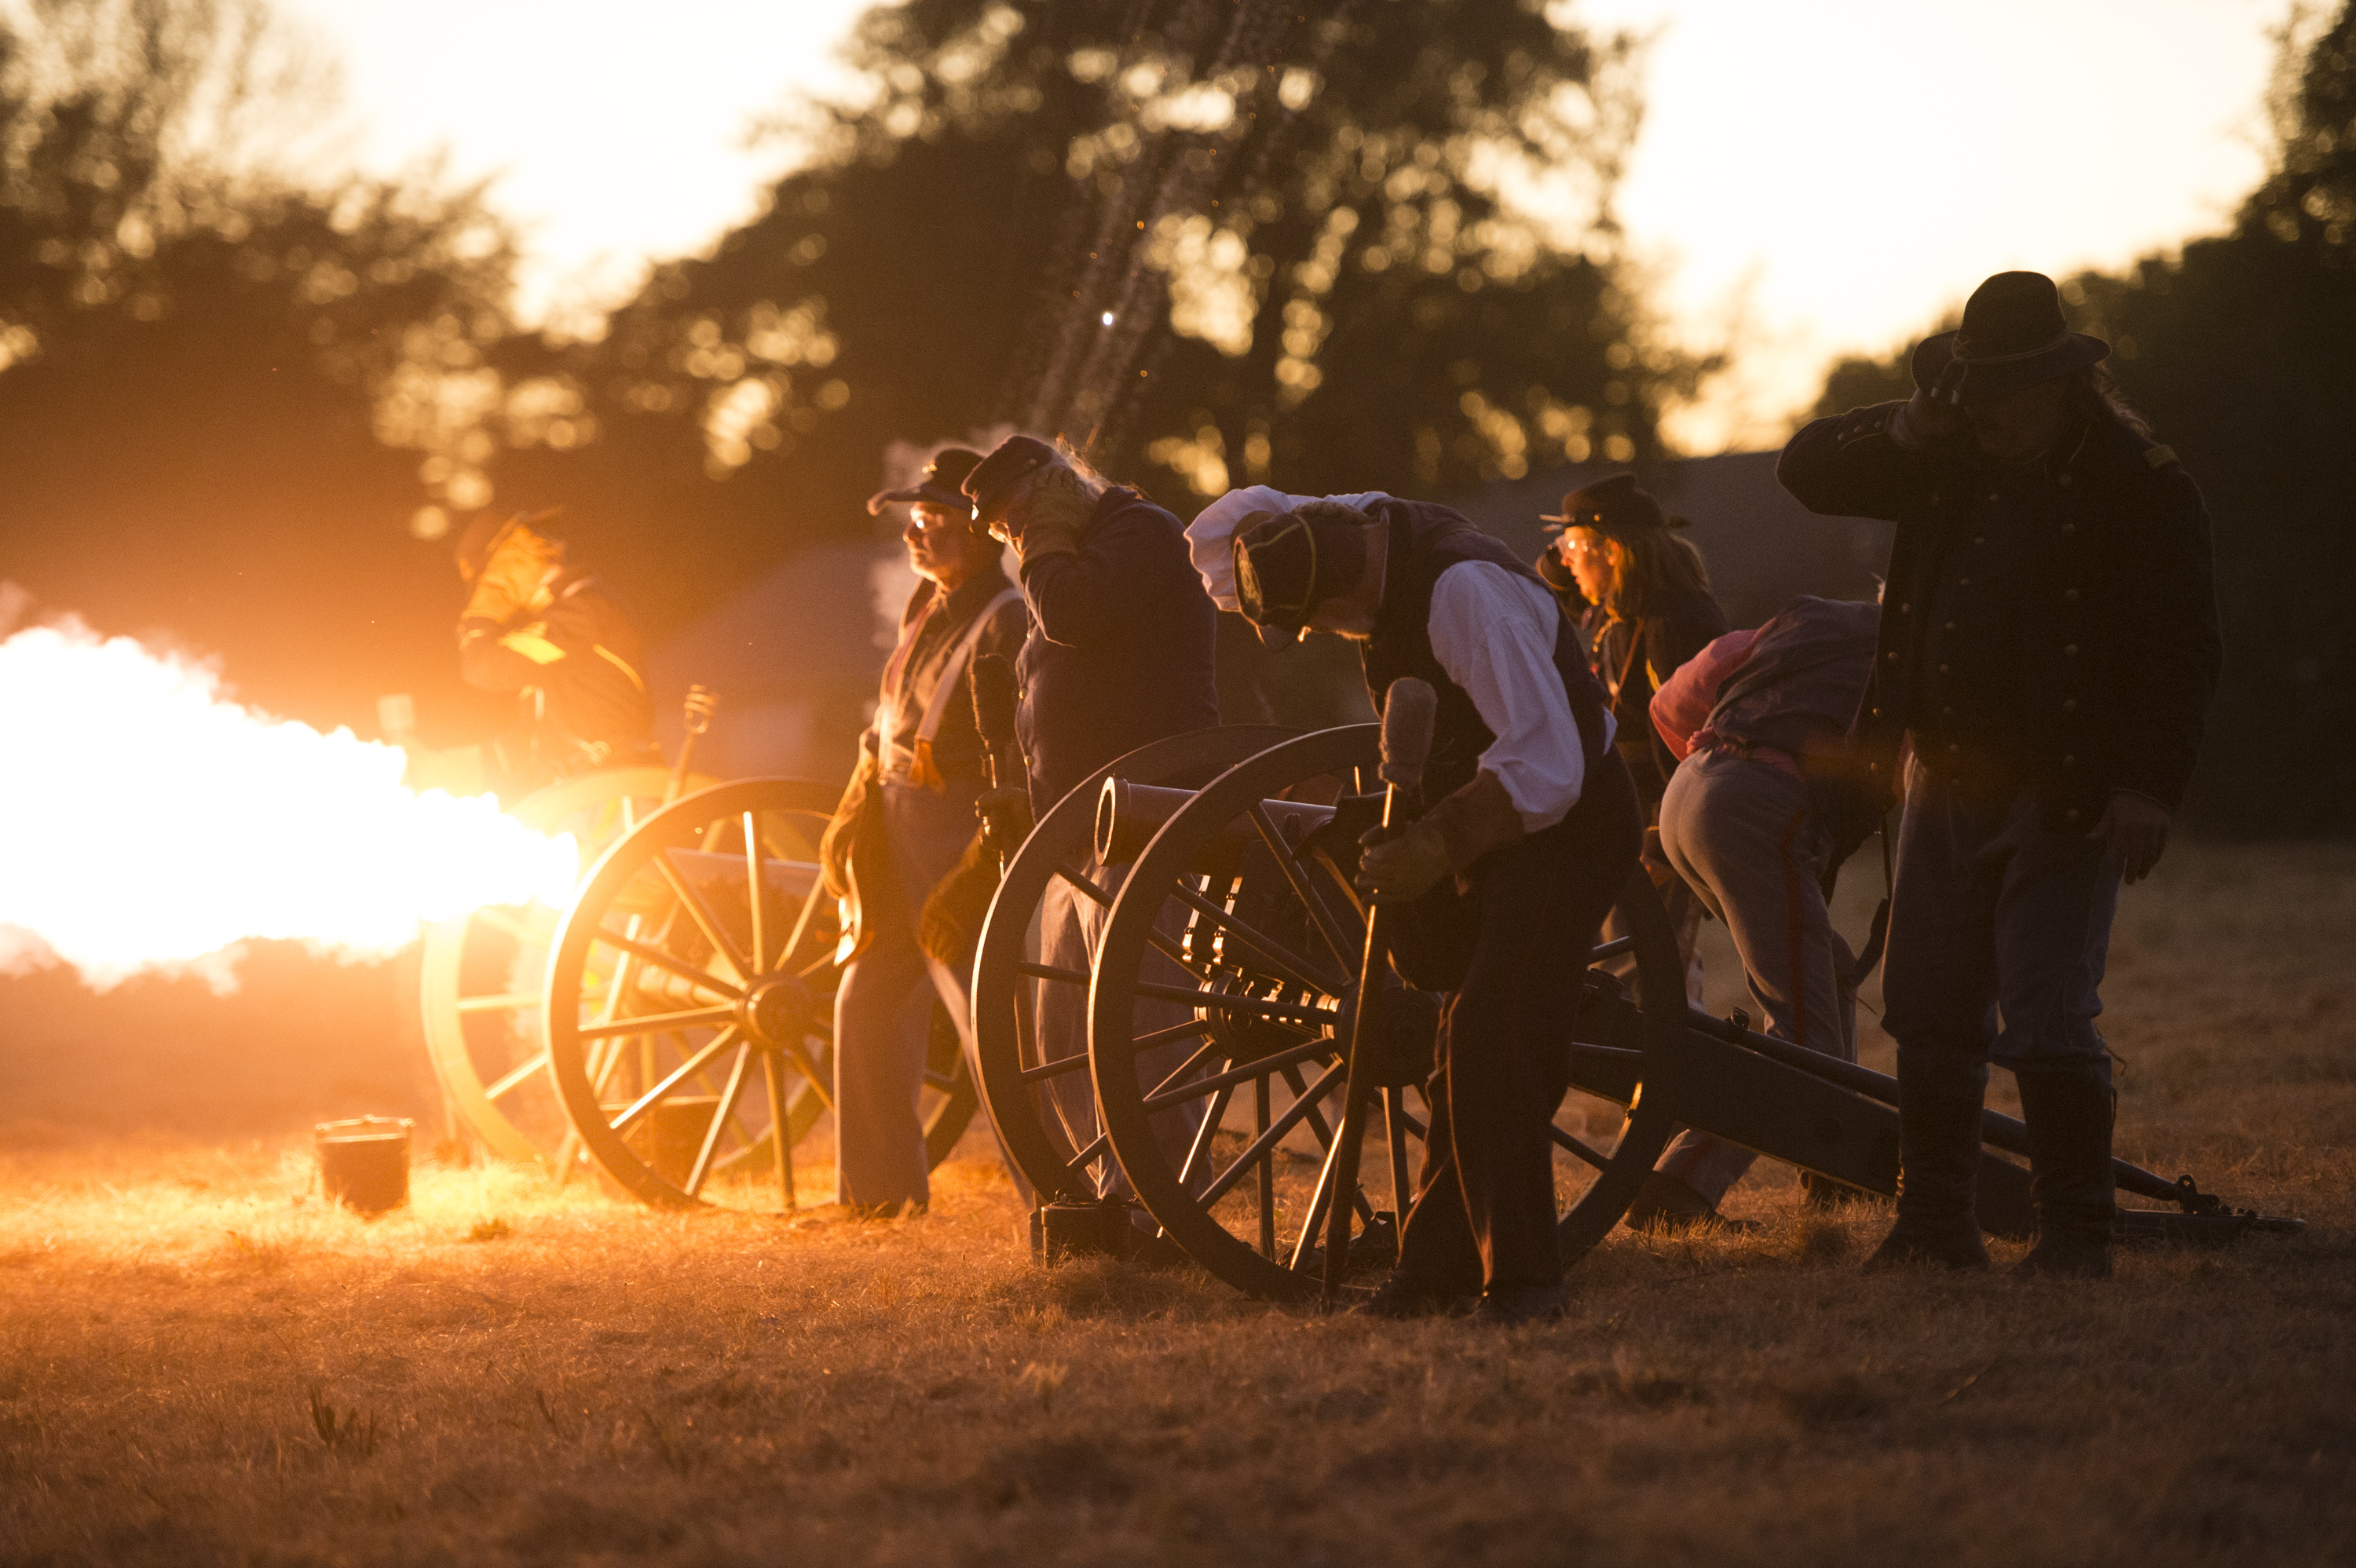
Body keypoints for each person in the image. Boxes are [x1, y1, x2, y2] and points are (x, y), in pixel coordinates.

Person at [1779, 270, 2221, 1279]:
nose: (1990, 408)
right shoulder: (1943, 457)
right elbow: (1804, 470)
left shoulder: (2141, 482)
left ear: (2060, 382)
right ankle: (1936, 1225)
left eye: (2006, 388)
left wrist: (2149, 783)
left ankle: (2076, 1236)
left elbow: (2182, 649)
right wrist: (1910, 429)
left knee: (2047, 1009)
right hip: (1942, 770)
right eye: (1975, 390)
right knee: (1930, 1004)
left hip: (2068, 781)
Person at [1188, 489, 1641, 1325]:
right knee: (1455, 1041)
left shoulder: (1463, 592)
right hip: (1503, 823)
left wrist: (1437, 843)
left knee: (1491, 1032)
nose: (1324, 633)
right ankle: (1434, 1271)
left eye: (1318, 620)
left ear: (1335, 593)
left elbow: (1548, 763)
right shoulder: (1369, 542)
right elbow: (1233, 530)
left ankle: (1525, 1285)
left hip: (1568, 825)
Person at [960, 437, 1220, 1219]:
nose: (1013, 541)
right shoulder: (1069, 556)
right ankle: (1109, 1191)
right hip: (1078, 825)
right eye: (1008, 531)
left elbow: (1070, 618)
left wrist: (1043, 537)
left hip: (1147, 809)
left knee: (1142, 1020)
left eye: (1015, 520)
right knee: (1066, 1027)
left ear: (1052, 492)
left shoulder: (1139, 533)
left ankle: (1162, 1202)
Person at [1630, 594, 1885, 1230]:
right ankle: (1679, 1184)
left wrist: (1710, 765)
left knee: (1827, 970)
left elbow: (1672, 700)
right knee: (1805, 1037)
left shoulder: (1806, 619)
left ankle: (1833, 1164)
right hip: (1754, 806)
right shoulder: (1916, 657)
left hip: (1686, 792)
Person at [819, 448, 1029, 1218]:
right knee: (865, 1002)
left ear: (979, 535)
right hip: (895, 815)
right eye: (916, 518)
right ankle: (876, 1199)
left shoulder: (1007, 616)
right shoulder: (924, 606)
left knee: (985, 1017)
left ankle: (1056, 1200)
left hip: (963, 825)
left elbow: (1019, 742)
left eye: (935, 520)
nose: (917, 533)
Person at [1537, 476, 1728, 996]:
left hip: (1660, 828)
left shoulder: (1675, 623)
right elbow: (1552, 579)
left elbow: (1706, 747)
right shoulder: (1621, 617)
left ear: (1614, 552)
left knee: (1650, 980)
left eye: (1578, 548)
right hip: (1629, 822)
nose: (1569, 561)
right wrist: (1573, 540)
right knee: (1629, 974)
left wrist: (1665, 845)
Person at [452, 508, 656, 791]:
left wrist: (482, 617)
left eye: (488, 580)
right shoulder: (563, 614)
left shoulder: (582, 612)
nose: (488, 592)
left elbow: (485, 667)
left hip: (610, 795)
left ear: (510, 560)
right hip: (584, 792)